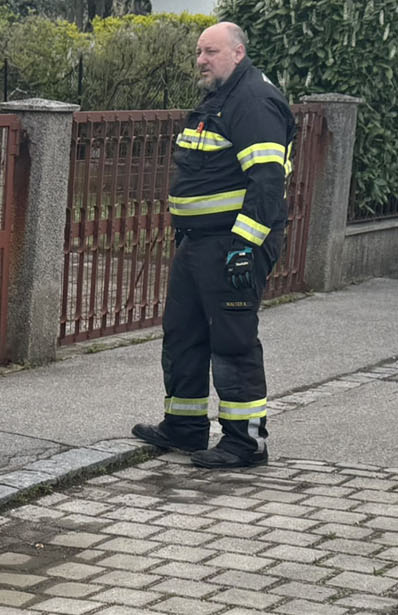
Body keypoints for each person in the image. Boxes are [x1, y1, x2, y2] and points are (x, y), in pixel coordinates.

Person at [132, 21, 293, 469]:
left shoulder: (254, 101)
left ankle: (246, 443)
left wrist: (245, 246)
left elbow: (267, 181)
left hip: (232, 243)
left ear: (238, 53)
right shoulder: (221, 97)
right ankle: (184, 427)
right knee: (183, 333)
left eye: (211, 52)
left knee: (232, 340)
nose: (201, 60)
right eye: (199, 52)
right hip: (199, 242)